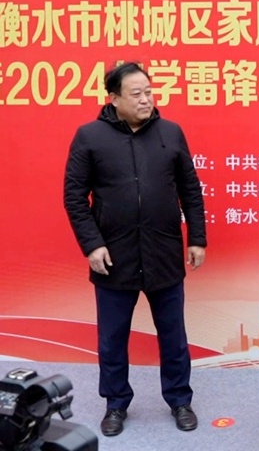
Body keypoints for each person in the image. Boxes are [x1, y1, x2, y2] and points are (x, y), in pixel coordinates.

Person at [63, 62, 206, 437]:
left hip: (163, 251)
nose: (146, 99)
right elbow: (74, 197)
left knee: (173, 335)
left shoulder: (171, 133)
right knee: (112, 338)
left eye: (149, 91)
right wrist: (92, 245)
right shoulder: (90, 136)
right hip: (114, 255)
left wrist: (197, 238)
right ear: (114, 98)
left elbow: (190, 190)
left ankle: (179, 399)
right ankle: (115, 403)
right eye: (136, 94)